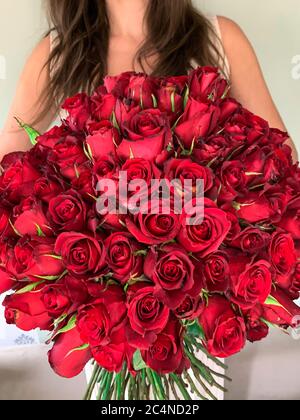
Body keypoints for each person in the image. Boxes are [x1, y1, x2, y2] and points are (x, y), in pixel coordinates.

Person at [0, 0, 297, 161]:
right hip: (96, 272)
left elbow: (282, 156)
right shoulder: (59, 53)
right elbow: (7, 167)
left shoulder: (220, 39)